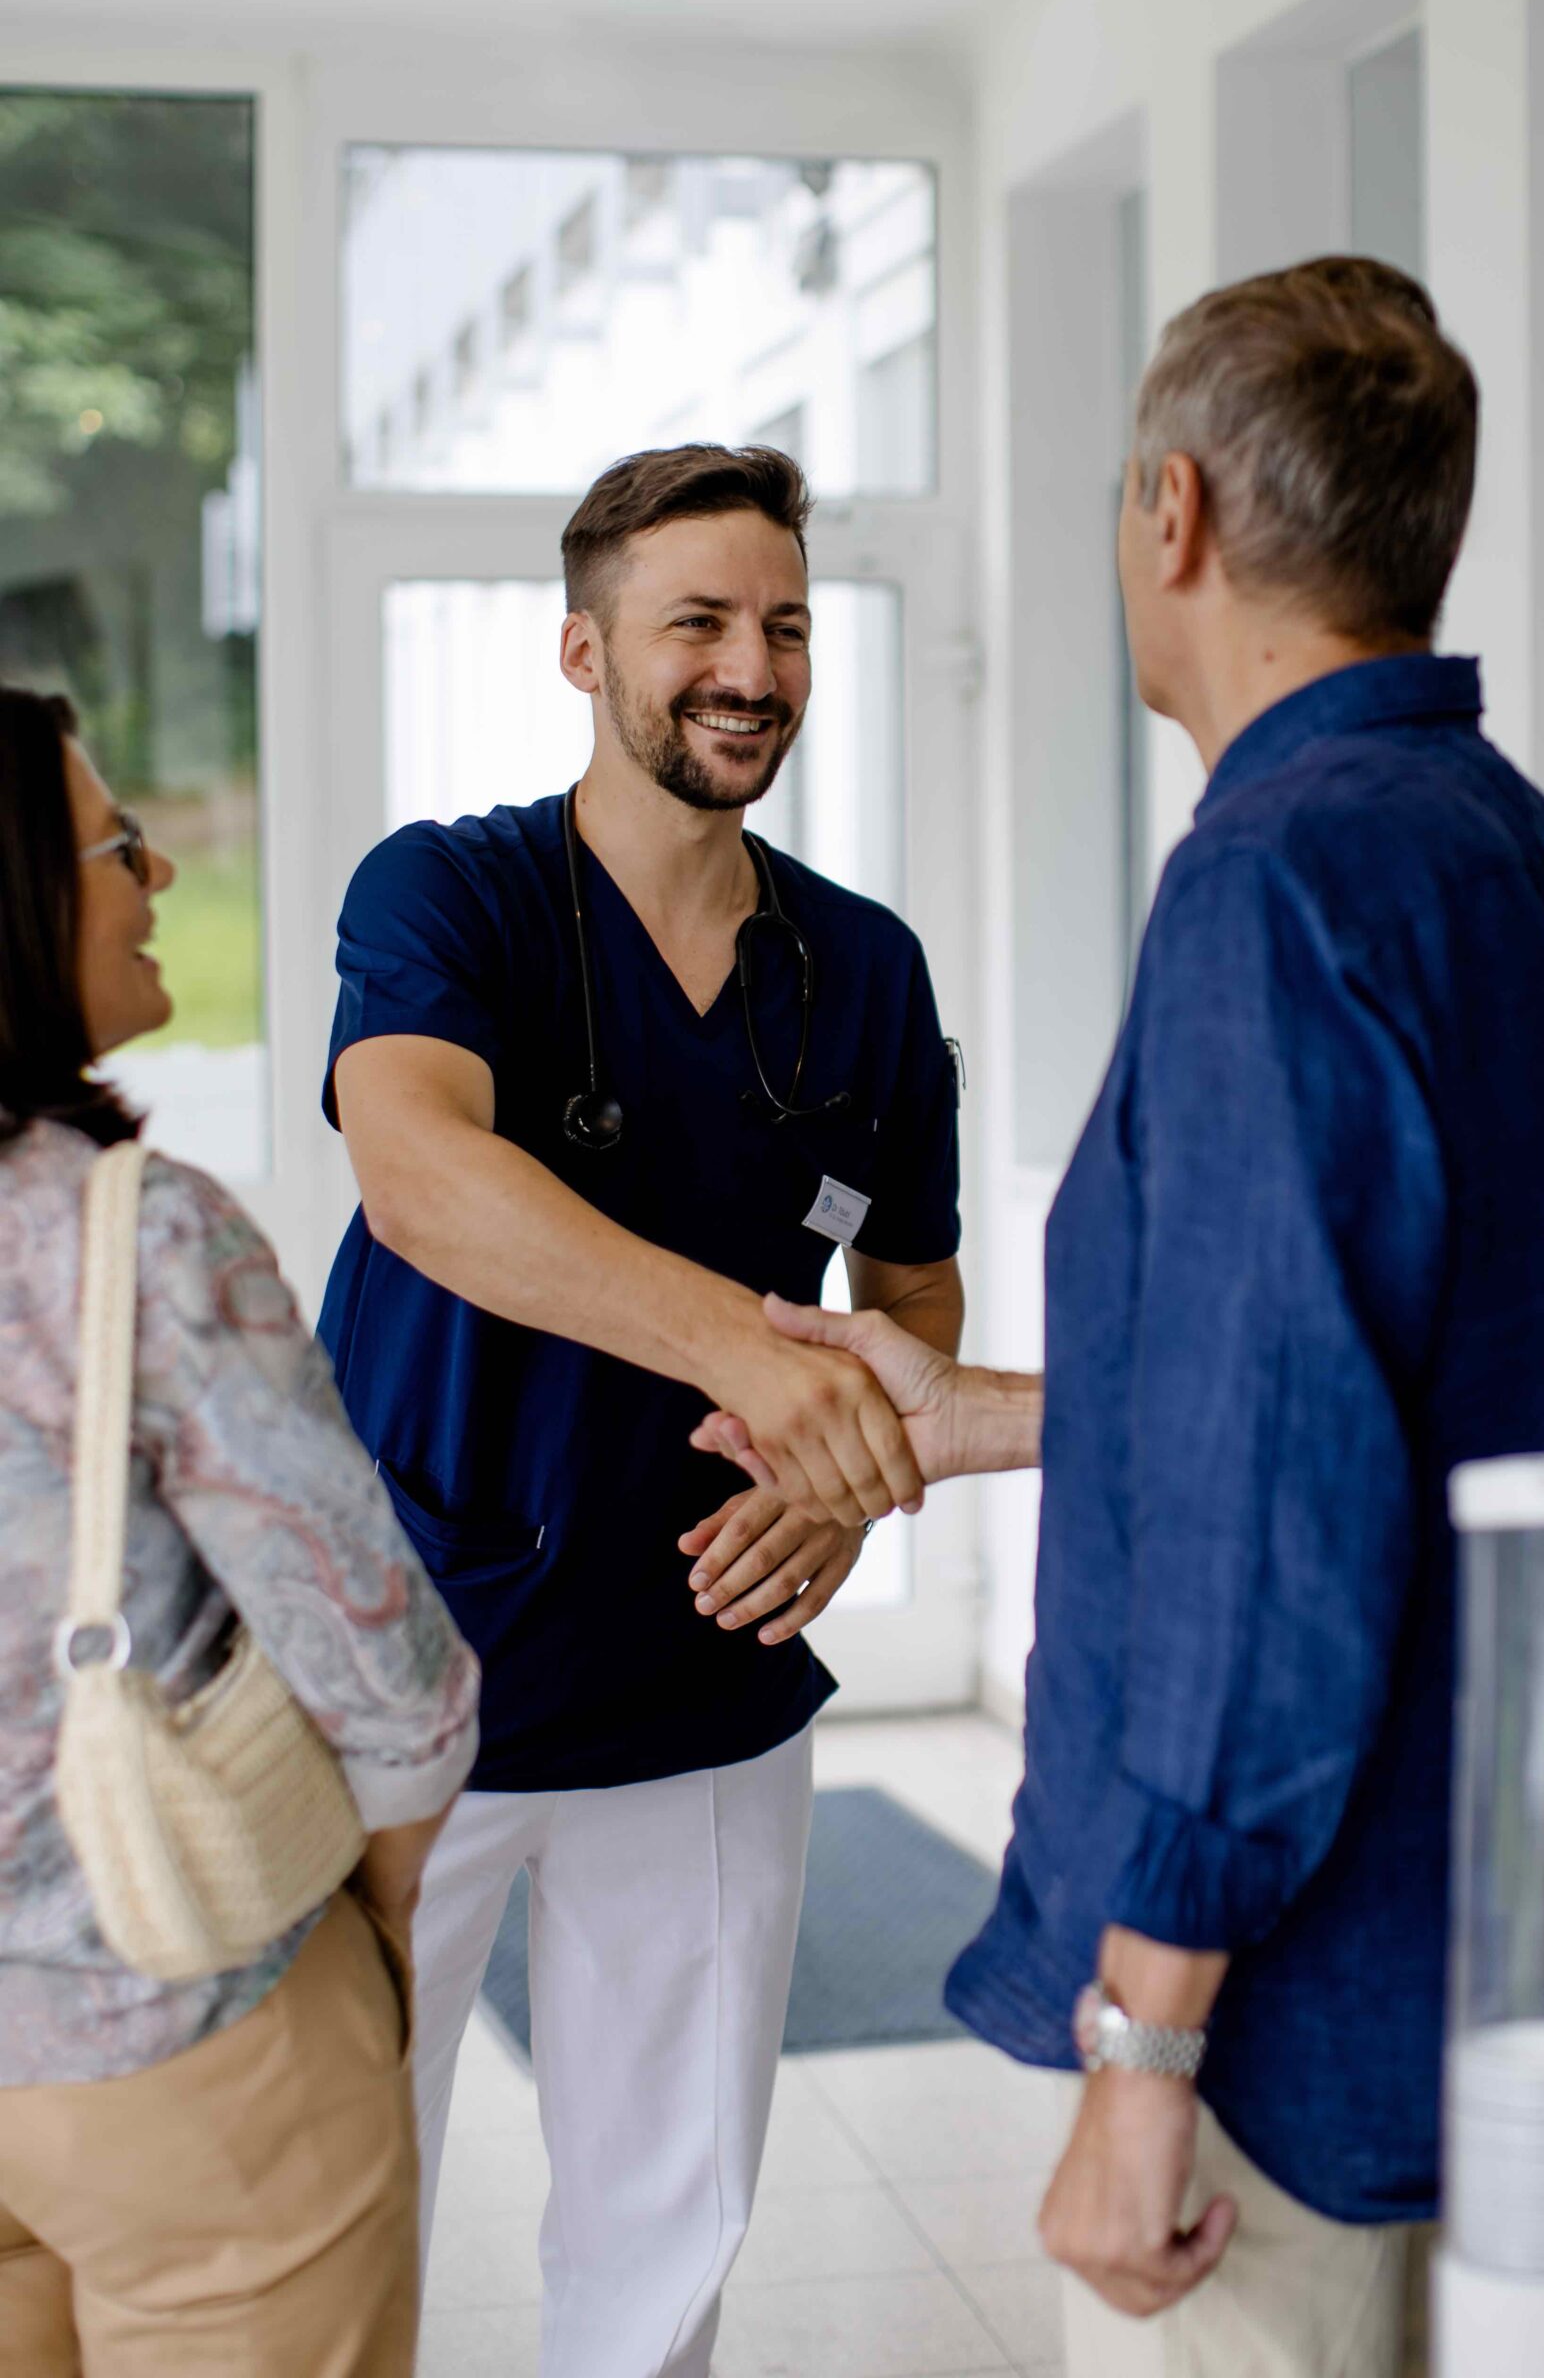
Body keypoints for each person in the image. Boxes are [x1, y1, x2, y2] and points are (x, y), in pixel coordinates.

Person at [694, 261, 1544, 2378]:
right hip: (1475, 1948)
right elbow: (1388, 1403)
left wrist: (1143, 2038)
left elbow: (1271, 1526)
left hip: (1273, 2021)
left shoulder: (1272, 886)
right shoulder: (1536, 868)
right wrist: (969, 1415)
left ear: (1174, 514)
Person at [318, 441, 963, 2376]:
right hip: (419, 1668)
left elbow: (911, 1299)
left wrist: (845, 1494)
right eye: (696, 622)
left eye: (781, 623)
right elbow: (416, 1168)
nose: (747, 665)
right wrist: (745, 1352)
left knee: (663, 2245)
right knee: (341, 2214)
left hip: (705, 1673)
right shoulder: (453, 891)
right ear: (587, 654)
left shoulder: (859, 969)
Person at [0, 684, 481, 2378]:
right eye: (119, 844)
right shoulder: (135, 1239)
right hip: (181, 2038)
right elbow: (388, 1674)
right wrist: (386, 1943)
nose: (156, 881)